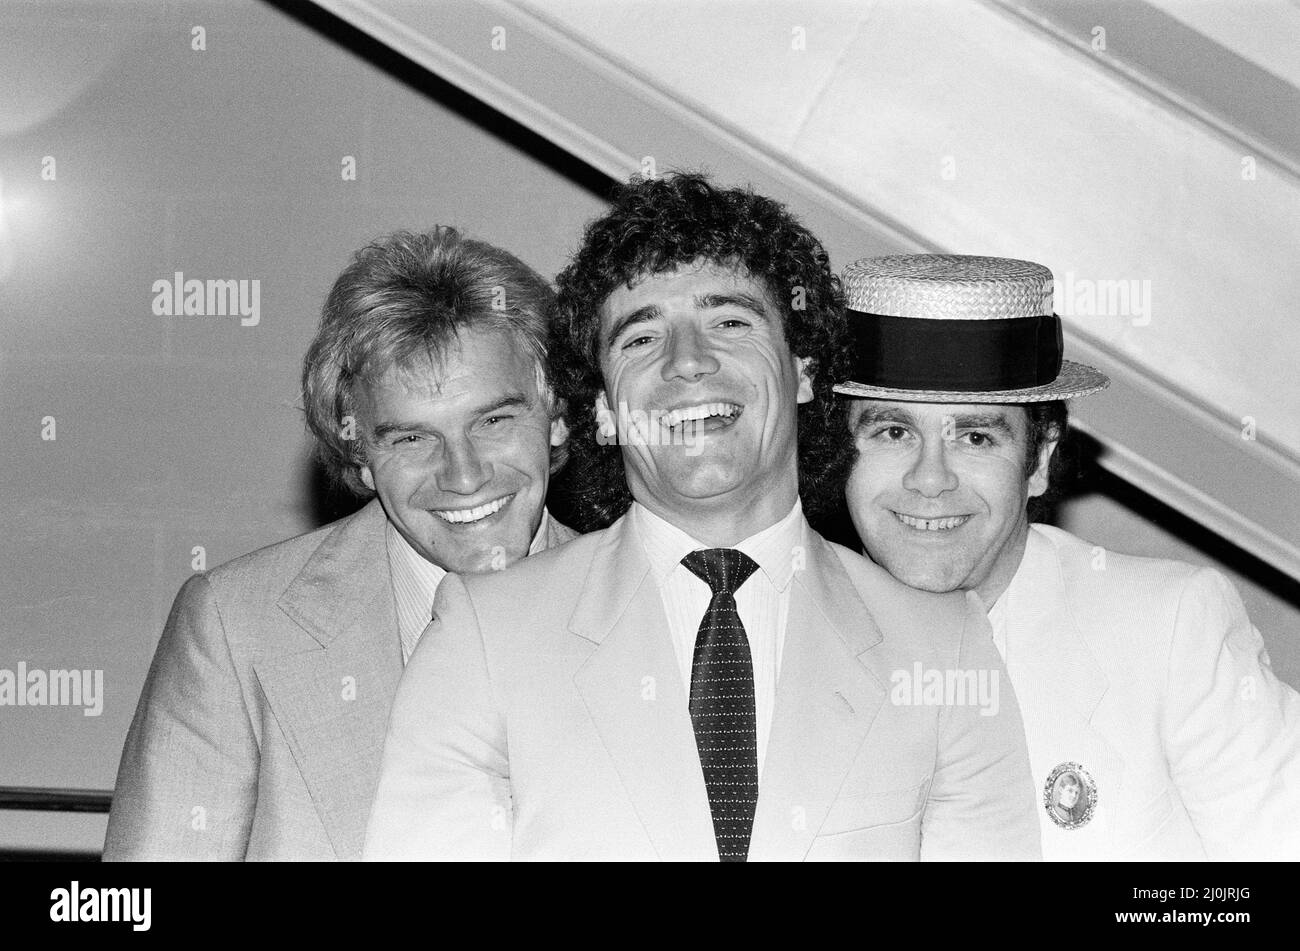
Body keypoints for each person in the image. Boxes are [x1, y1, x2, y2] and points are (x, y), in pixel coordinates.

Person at [363, 174, 1041, 861]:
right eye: (641, 338)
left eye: (729, 322)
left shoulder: (941, 646)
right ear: (601, 410)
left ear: (804, 369)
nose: (688, 361)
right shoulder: (485, 639)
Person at [103, 227, 575, 860]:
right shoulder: (236, 626)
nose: (463, 476)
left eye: (494, 421)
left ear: (558, 416)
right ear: (359, 457)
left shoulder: (650, 608)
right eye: (412, 439)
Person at [835, 252, 1300, 860]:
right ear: (836, 453)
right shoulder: (778, 640)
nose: (930, 480)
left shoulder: (1168, 629)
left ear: (1041, 460)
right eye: (893, 433)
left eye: (976, 437)